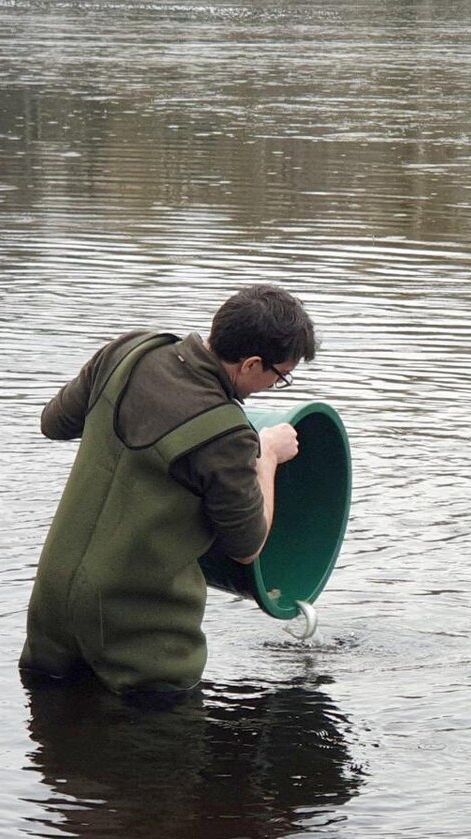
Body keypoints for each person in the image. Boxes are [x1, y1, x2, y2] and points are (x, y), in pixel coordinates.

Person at [19, 284, 318, 695]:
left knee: (55, 742)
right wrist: (265, 456)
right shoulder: (229, 435)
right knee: (159, 749)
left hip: (53, 603)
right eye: (280, 376)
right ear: (251, 364)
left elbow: (53, 423)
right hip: (140, 631)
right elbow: (248, 545)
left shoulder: (129, 351)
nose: (275, 385)